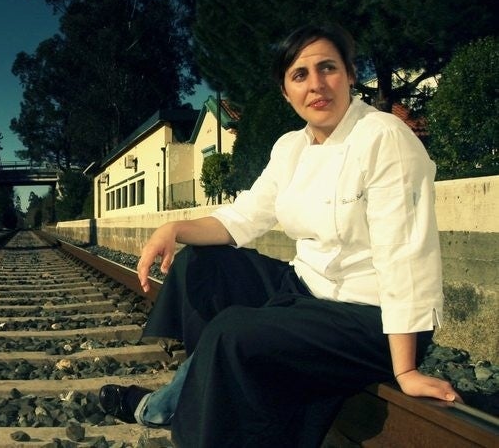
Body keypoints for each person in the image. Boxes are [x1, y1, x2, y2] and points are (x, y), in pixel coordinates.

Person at [99, 24, 462, 447]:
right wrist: (173, 229)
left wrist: (406, 370)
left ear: (349, 74)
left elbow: (405, 257)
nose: (316, 84)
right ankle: (210, 394)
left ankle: (190, 413)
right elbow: (243, 218)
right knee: (201, 264)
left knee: (231, 332)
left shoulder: (384, 138)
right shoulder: (292, 147)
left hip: (372, 319)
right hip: (306, 291)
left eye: (327, 67)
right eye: (300, 75)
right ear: (286, 92)